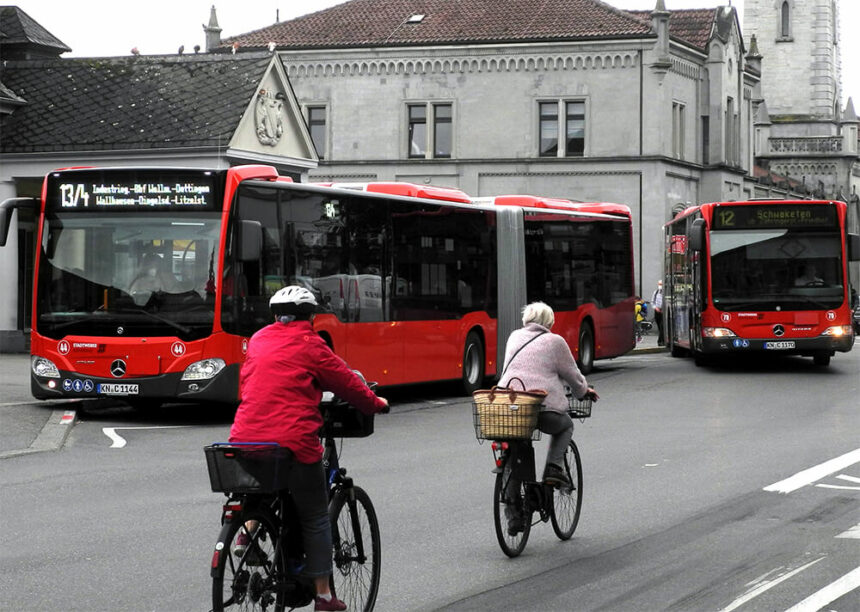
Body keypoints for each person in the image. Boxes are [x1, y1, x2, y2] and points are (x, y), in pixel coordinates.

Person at [229, 285, 388, 612]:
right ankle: (324, 596)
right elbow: (346, 382)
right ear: (311, 317)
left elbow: (248, 386)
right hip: (293, 442)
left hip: (245, 438)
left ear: (275, 315)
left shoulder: (258, 341)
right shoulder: (312, 345)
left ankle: (246, 530)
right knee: (315, 516)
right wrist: (375, 404)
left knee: (264, 488)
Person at [498, 301, 597, 535]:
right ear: (549, 322)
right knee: (565, 426)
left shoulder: (514, 337)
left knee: (514, 452)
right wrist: (584, 391)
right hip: (542, 407)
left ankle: (512, 514)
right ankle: (553, 468)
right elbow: (572, 375)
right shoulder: (555, 342)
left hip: (511, 407)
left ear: (526, 320)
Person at [652, 280, 664, 346]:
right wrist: (655, 308)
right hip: (657, 312)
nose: (660, 285)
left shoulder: (665, 293)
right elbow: (652, 302)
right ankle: (662, 339)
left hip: (663, 312)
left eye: (661, 284)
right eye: (659, 284)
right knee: (660, 327)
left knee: (662, 326)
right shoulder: (656, 292)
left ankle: (660, 341)